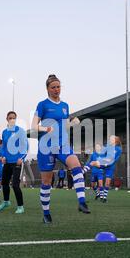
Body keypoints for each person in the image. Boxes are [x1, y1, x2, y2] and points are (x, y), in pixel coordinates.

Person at [31, 74, 90, 224]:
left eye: (58, 87)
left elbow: (63, 126)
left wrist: (72, 123)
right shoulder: (42, 105)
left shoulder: (65, 106)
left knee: (76, 164)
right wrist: (46, 128)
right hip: (46, 146)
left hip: (63, 144)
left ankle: (82, 202)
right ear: (47, 89)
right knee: (46, 182)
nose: (56, 89)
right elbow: (34, 126)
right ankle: (46, 213)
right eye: (53, 87)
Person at [0, 111, 28, 214]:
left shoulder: (21, 131)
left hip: (17, 162)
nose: (12, 119)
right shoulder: (4, 132)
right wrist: (3, 156)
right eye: (10, 118)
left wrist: (21, 158)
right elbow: (4, 147)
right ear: (7, 119)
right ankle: (6, 202)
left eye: (14, 118)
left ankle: (20, 207)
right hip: (7, 162)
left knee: (15, 185)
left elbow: (25, 146)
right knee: (4, 183)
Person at [84, 136, 122, 203]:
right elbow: (101, 151)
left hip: (110, 166)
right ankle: (81, 172)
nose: (110, 140)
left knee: (107, 183)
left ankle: (104, 197)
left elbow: (116, 159)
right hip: (104, 163)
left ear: (115, 140)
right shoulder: (107, 146)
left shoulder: (118, 149)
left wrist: (109, 163)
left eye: (111, 139)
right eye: (110, 139)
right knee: (93, 162)